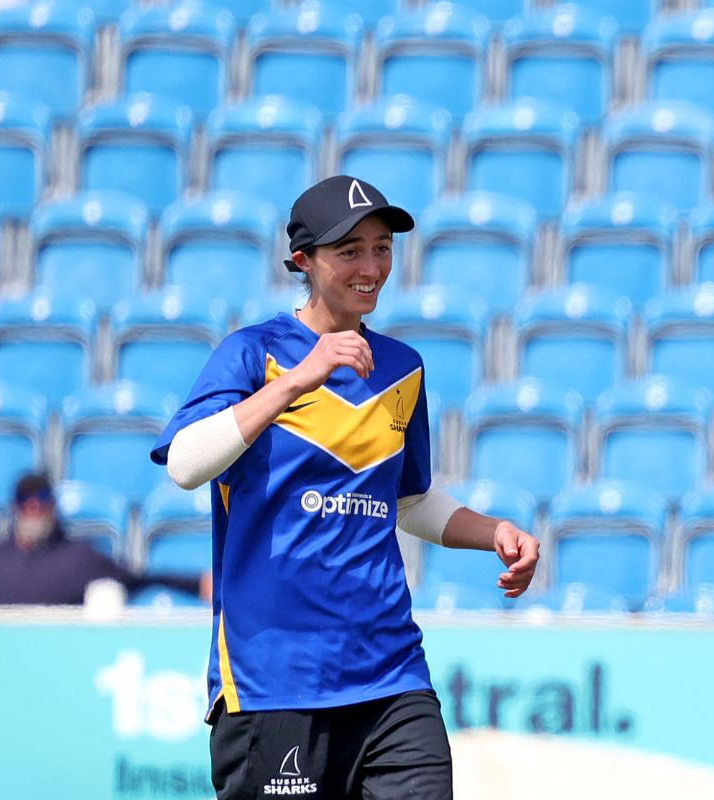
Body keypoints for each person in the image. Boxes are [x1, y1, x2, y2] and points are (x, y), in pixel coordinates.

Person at [150, 175, 540, 799]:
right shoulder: (254, 354)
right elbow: (186, 464)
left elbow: (407, 501)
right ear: (304, 260)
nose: (371, 266)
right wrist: (297, 380)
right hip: (272, 679)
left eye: (382, 247)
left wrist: (492, 531)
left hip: (390, 674)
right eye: (350, 250)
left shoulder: (403, 367)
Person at [0, 473, 209, 605]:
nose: (34, 508)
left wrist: (196, 584)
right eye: (25, 501)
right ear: (14, 507)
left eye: (42, 499)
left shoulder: (79, 559)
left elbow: (140, 577)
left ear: (54, 505)